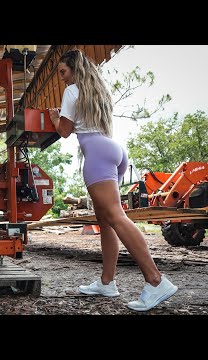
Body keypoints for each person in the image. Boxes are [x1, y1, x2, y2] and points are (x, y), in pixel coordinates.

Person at [47, 49, 178, 312]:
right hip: (114, 151)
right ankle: (107, 282)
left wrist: (53, 116)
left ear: (74, 69)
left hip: (96, 154)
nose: (62, 78)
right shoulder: (98, 91)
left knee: (116, 217)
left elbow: (64, 131)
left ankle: (156, 280)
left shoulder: (73, 91)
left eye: (63, 72)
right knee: (105, 221)